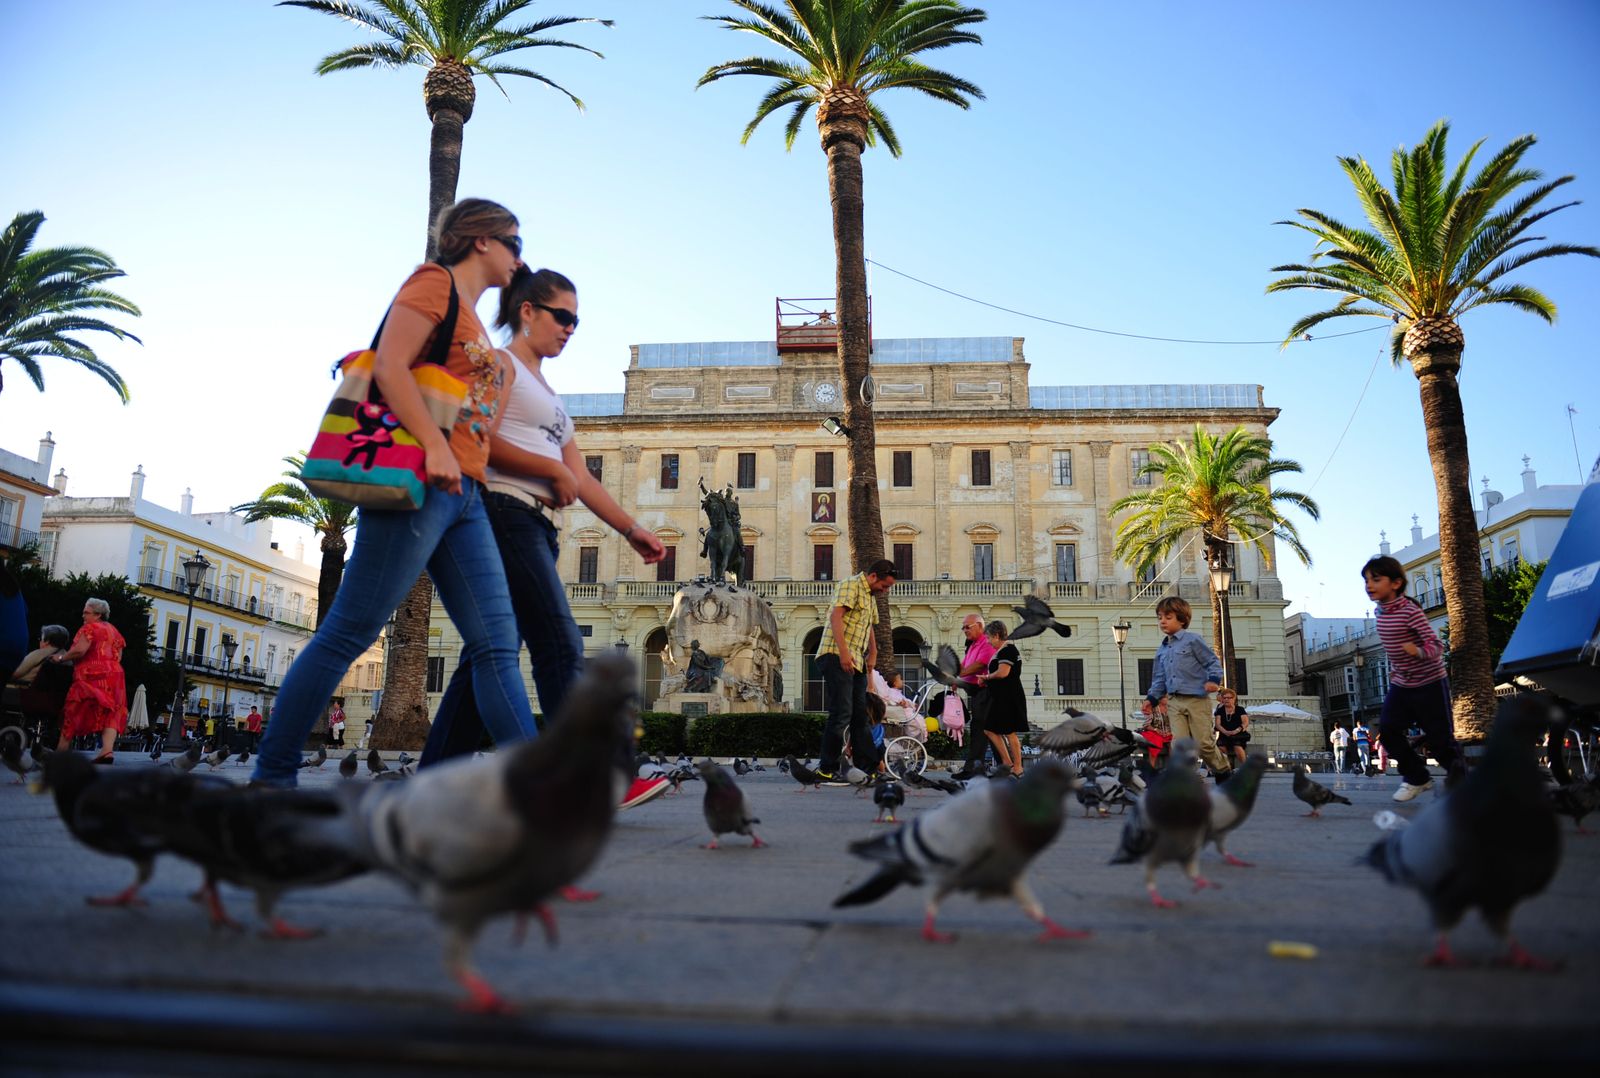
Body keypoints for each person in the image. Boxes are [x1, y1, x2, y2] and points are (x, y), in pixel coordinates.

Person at [253, 198, 537, 788]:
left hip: (464, 494)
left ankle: (543, 786)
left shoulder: (474, 319)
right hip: (418, 484)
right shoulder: (433, 284)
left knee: (496, 643)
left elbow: (472, 421)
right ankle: (273, 774)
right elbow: (389, 366)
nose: (520, 257)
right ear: (480, 239)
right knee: (349, 631)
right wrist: (434, 445)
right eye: (514, 242)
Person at [418, 266, 668, 810]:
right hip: (503, 513)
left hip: (537, 527)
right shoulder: (500, 365)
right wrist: (547, 469)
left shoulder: (551, 397)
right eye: (562, 317)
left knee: (487, 655)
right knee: (560, 643)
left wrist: (630, 529)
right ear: (527, 312)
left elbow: (580, 477)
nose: (570, 329)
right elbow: (476, 436)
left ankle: (431, 782)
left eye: (577, 321)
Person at [1362, 555, 1460, 803]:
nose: (1369, 585)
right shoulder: (1380, 612)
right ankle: (1417, 777)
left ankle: (1462, 784)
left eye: (1376, 579)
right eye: (1366, 580)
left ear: (1396, 583)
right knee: (1388, 730)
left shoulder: (1410, 611)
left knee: (1440, 741)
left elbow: (1436, 646)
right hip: (1402, 684)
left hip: (1430, 683)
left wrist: (1417, 651)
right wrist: (1396, 668)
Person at [813, 558, 897, 784]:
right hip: (835, 654)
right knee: (842, 712)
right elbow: (836, 616)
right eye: (884, 585)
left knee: (861, 715)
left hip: (857, 660)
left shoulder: (871, 596)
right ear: (873, 576)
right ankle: (827, 769)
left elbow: (869, 626)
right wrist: (843, 652)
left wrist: (874, 651)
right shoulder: (851, 585)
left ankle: (867, 769)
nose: (885, 590)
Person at [1141, 596, 1229, 780]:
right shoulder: (1162, 650)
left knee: (1203, 743)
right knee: (1179, 745)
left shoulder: (1192, 640)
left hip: (1197, 699)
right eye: (1159, 617)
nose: (1162, 621)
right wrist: (1151, 699)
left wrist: (1213, 680)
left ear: (1182, 619)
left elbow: (1212, 662)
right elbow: (1159, 679)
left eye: (1168, 617)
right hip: (1174, 701)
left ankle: (1223, 770)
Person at [51, 598, 127, 763]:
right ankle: (107, 751)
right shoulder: (114, 630)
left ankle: (60, 752)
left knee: (74, 709)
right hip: (115, 675)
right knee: (112, 711)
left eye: (86, 612)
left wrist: (61, 658)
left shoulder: (90, 628)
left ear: (98, 614)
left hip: (91, 674)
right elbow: (119, 656)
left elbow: (80, 650)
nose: (83, 616)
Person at [972, 621, 1028, 777]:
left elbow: (1003, 673)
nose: (988, 642)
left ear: (997, 636)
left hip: (1009, 698)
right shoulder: (1002, 651)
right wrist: (987, 680)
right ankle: (1007, 763)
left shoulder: (1008, 650)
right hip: (1000, 698)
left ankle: (1018, 768)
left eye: (989, 638)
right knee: (990, 730)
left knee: (1010, 732)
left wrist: (986, 677)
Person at [950, 614, 998, 781]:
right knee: (986, 731)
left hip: (987, 692)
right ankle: (1001, 768)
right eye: (963, 627)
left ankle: (974, 769)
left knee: (982, 730)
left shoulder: (986, 642)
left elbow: (980, 665)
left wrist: (959, 675)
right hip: (977, 693)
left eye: (967, 627)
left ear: (979, 626)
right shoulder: (973, 645)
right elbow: (964, 665)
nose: (964, 630)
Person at [10, 624, 72, 748]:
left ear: (47, 641)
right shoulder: (68, 659)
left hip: (30, 696)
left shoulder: (39, 654)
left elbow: (15, 673)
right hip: (57, 702)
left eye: (41, 639)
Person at [1213, 688, 1251, 766]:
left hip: (1238, 734)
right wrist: (1225, 732)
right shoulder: (1220, 710)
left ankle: (1245, 766)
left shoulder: (1240, 709)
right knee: (1220, 747)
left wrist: (1237, 730)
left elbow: (1245, 722)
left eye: (1229, 698)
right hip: (1224, 734)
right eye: (1224, 698)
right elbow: (1217, 724)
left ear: (1234, 699)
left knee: (1237, 746)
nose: (1226, 699)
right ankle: (1226, 766)